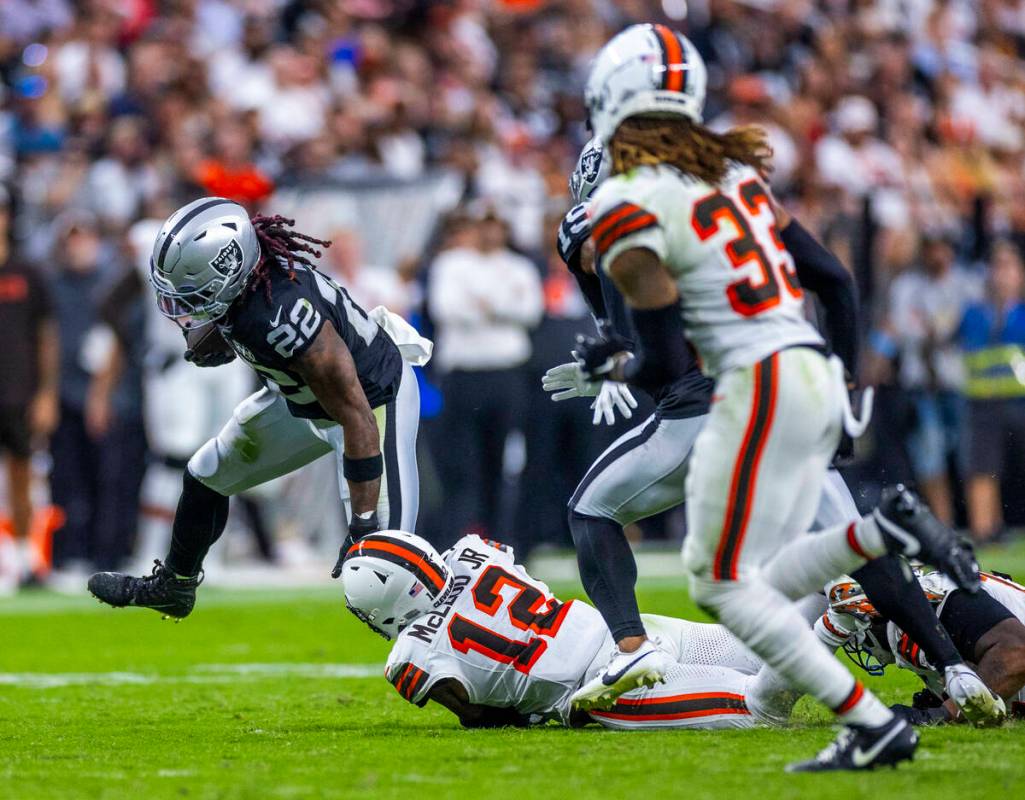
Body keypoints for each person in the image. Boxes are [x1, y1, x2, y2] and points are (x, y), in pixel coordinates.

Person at [569, 24, 983, 771]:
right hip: (809, 371)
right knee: (791, 554)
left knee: (714, 580)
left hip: (744, 386)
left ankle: (646, 651)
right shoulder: (732, 175)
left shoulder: (626, 202)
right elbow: (835, 280)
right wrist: (849, 377)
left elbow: (663, 361)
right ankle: (891, 565)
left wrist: (611, 363)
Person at [88, 198, 430, 619]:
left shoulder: (282, 317)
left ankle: (463, 645)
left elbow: (354, 413)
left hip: (373, 401)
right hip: (303, 398)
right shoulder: (250, 283)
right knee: (207, 473)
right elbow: (241, 317)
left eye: (196, 293)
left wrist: (361, 526)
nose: (186, 307)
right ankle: (174, 586)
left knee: (382, 570)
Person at [341, 530, 770, 730]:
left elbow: (480, 717)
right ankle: (830, 609)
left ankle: (832, 624)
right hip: (623, 632)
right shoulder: (473, 551)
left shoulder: (411, 656)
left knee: (758, 707)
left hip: (596, 685)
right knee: (773, 650)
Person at [427, 205, 543, 543]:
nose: (490, 233)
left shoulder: (519, 266)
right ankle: (459, 541)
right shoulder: (451, 264)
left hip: (507, 374)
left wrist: (485, 304)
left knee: (502, 462)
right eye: (484, 225)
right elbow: (448, 309)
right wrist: (503, 304)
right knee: (462, 464)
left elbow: (531, 312)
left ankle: (503, 540)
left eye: (497, 226)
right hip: (464, 375)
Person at [806, 569, 1025, 725]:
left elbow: (1016, 652)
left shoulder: (942, 599)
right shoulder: (914, 613)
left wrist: (942, 713)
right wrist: (940, 699)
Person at [0, 187, 58, 587]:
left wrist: (47, 393)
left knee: (23, 478)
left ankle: (23, 561)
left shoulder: (28, 272)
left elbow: (47, 336)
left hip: (19, 393)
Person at [957, 240, 1025, 543]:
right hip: (983, 403)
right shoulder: (973, 313)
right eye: (997, 267)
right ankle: (985, 534)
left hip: (1020, 403)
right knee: (982, 468)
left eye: (1008, 267)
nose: (1002, 275)